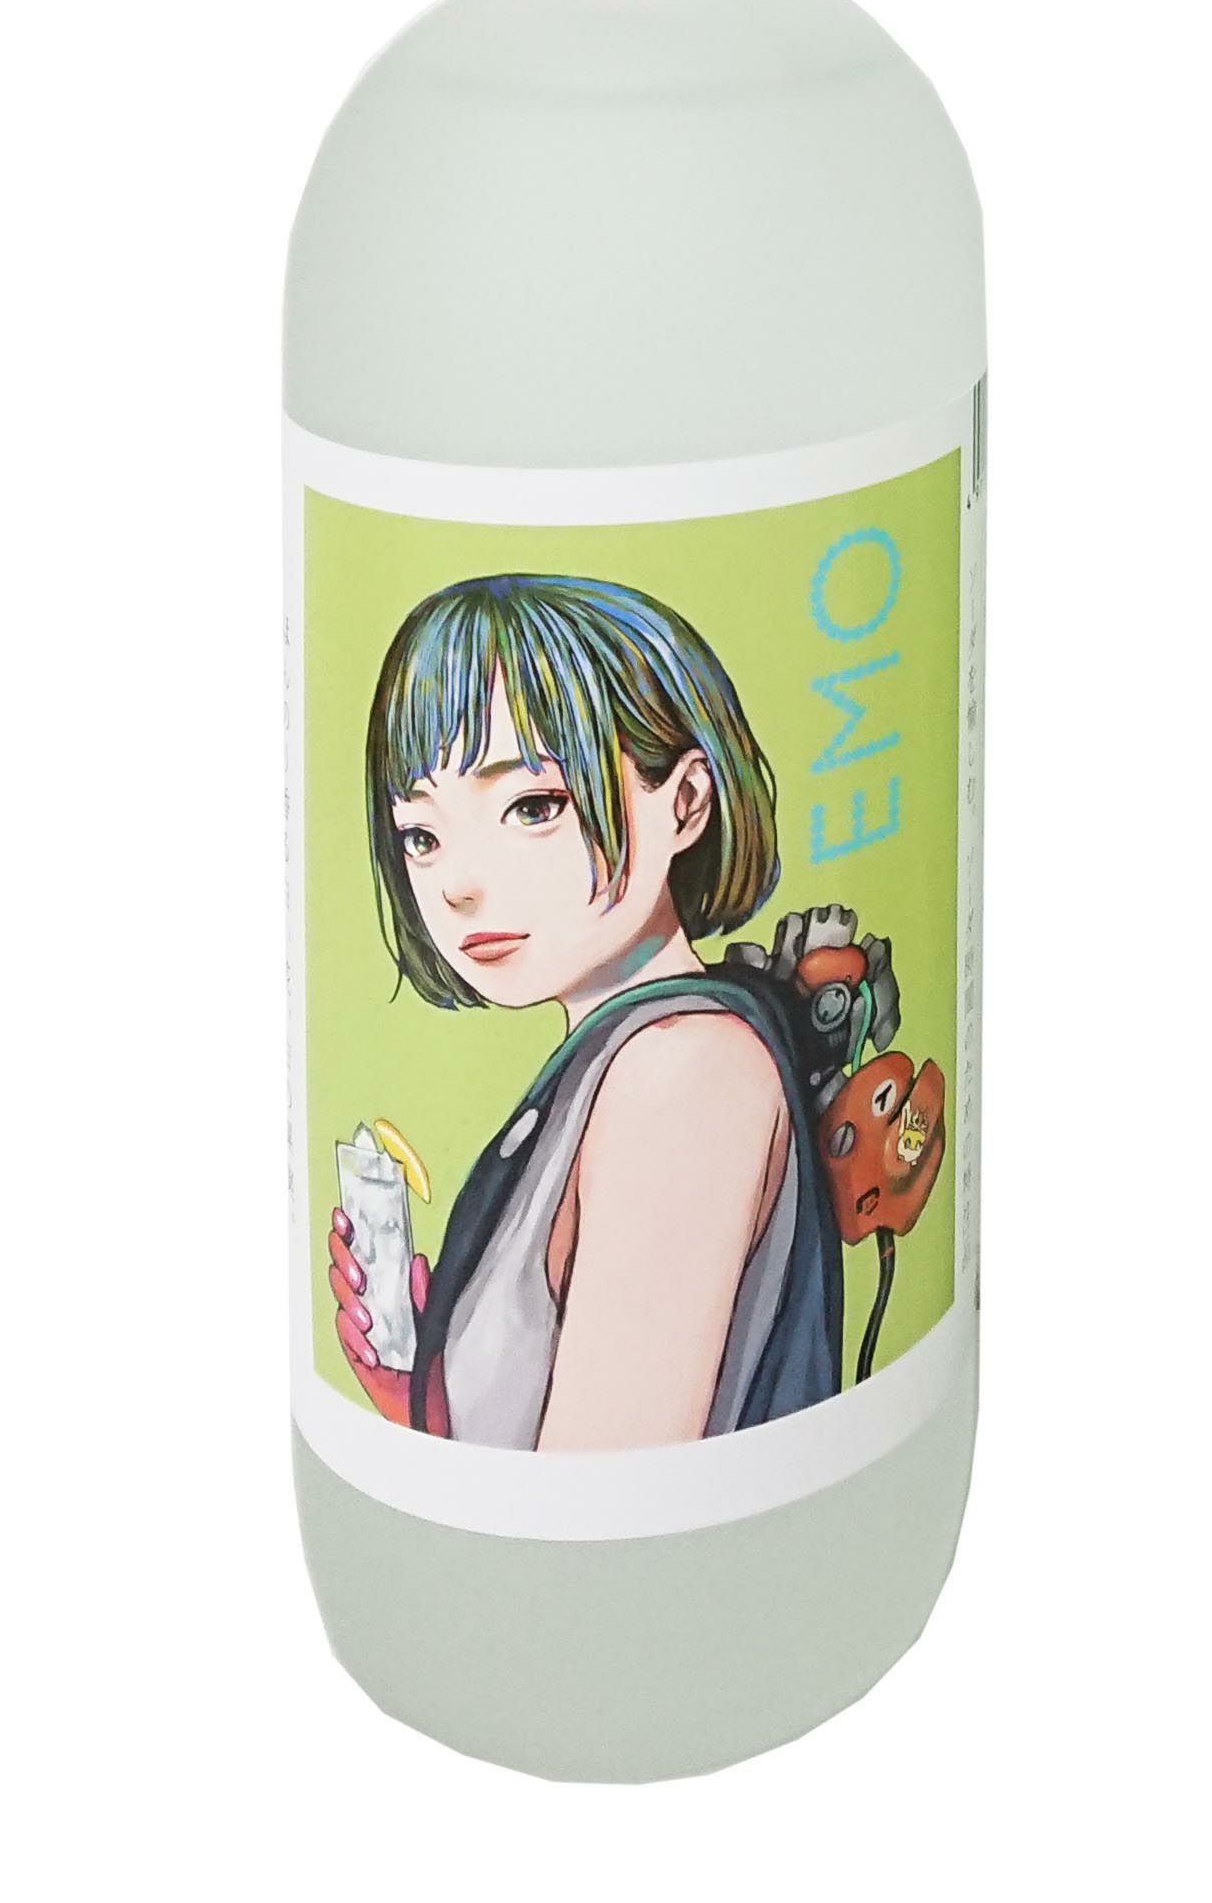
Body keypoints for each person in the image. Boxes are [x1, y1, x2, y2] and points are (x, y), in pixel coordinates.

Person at [326, 574, 844, 1451]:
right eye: (422, 833)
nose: (458, 883)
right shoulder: (617, 1062)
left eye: (531, 807)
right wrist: (422, 1401)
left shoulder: (679, 1072)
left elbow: (604, 1494)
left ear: (685, 801)